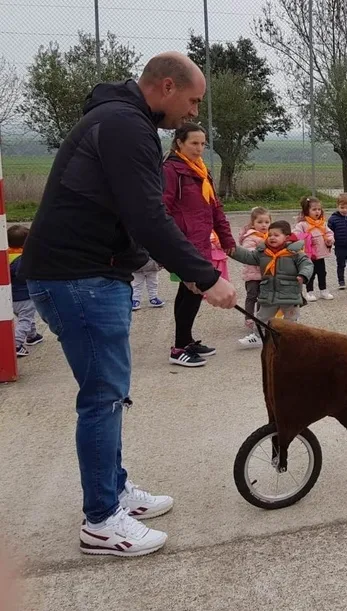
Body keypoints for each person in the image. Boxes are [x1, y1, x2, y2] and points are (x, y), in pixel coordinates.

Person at [19, 51, 238, 558]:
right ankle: (101, 521)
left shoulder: (121, 120)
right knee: (102, 398)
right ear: (167, 87)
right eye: (192, 101)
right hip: (80, 278)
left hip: (87, 274)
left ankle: (113, 491)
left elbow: (128, 213)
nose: (193, 113)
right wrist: (206, 277)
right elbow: (147, 216)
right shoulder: (126, 126)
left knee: (110, 394)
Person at [162, 121, 236, 368]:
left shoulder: (202, 172)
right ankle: (178, 349)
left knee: (191, 292)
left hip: (201, 241)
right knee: (192, 289)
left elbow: (215, 208)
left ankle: (186, 340)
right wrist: (172, 243)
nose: (199, 148)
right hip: (184, 243)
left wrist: (226, 238)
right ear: (179, 143)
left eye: (203, 144)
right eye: (194, 143)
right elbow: (163, 208)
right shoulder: (171, 170)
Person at [231, 220, 312, 346]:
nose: (272, 237)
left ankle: (290, 340)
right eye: (270, 235)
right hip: (269, 293)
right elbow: (248, 256)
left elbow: (307, 264)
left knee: (290, 320)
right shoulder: (263, 252)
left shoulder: (295, 253)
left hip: (289, 294)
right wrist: (231, 250)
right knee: (262, 317)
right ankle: (259, 336)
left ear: (287, 237)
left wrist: (303, 275)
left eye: (276, 235)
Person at [7, 225, 43, 357]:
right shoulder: (22, 259)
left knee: (26, 316)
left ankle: (32, 336)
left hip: (10, 297)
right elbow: (25, 275)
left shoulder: (6, 256)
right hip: (24, 296)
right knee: (25, 320)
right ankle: (16, 344)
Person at [294, 196, 335, 302]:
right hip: (309, 254)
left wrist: (329, 239)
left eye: (319, 209)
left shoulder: (322, 223)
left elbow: (329, 233)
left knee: (322, 273)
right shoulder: (302, 224)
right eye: (314, 209)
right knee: (310, 273)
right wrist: (305, 239)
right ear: (307, 210)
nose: (317, 212)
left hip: (320, 254)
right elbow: (296, 235)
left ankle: (323, 290)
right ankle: (309, 292)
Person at [238, 207, 270, 340]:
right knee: (252, 296)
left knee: (263, 297)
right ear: (253, 223)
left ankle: (260, 318)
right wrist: (264, 251)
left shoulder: (270, 236)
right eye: (260, 222)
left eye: (267, 222)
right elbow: (249, 252)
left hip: (265, 274)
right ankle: (249, 318)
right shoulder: (250, 237)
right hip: (252, 274)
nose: (264, 225)